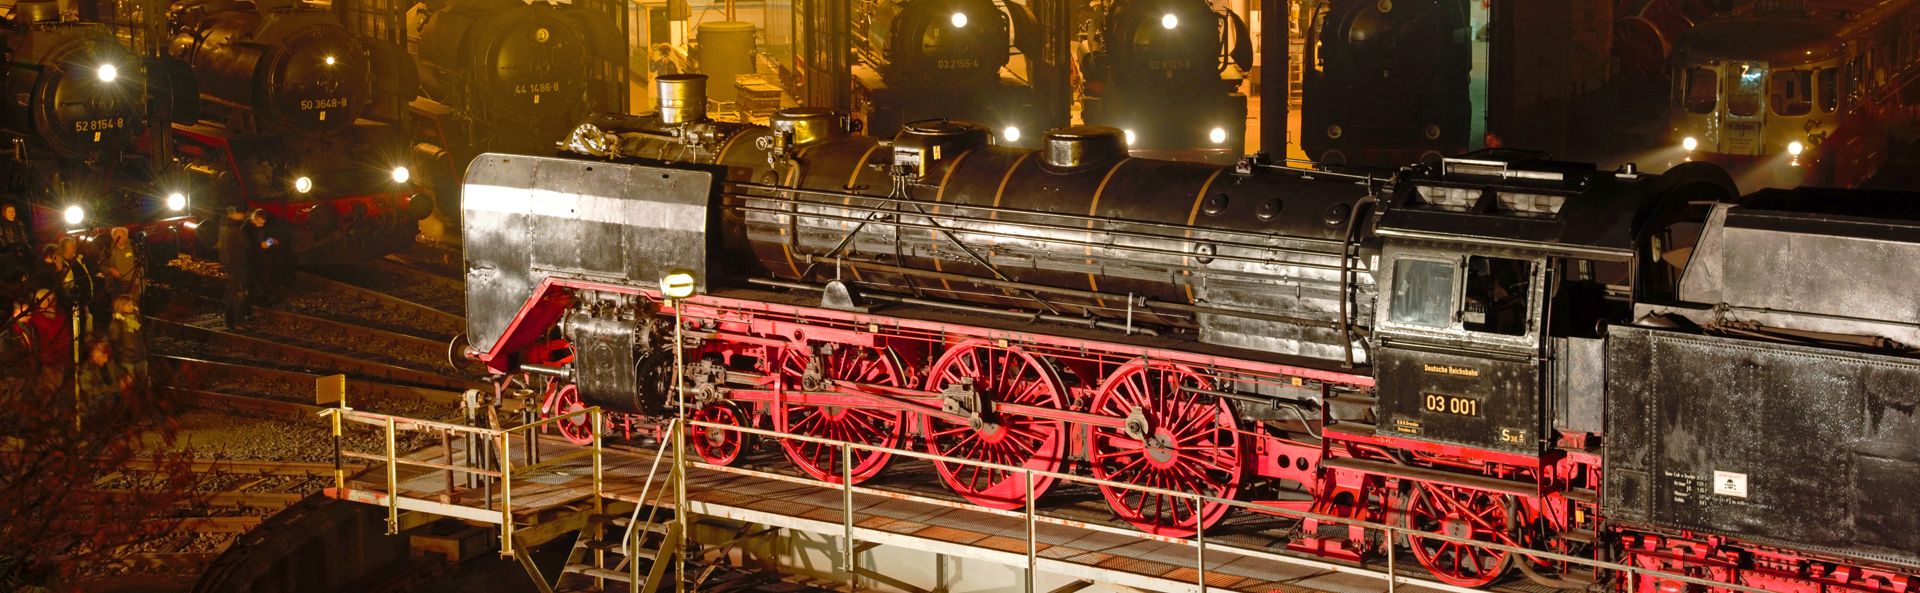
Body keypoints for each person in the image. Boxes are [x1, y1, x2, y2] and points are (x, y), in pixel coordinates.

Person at [215, 206, 252, 328]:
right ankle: (238, 320)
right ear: (235, 214)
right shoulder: (234, 230)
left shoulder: (222, 226)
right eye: (241, 214)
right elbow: (245, 245)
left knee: (231, 292)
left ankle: (229, 320)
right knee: (239, 292)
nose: (243, 216)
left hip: (227, 263)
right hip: (237, 264)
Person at [246, 209, 289, 305]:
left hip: (263, 257)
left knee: (265, 277)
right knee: (256, 279)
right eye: (260, 222)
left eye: (263, 223)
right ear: (254, 218)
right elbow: (247, 244)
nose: (262, 225)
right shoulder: (247, 229)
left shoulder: (262, 227)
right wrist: (260, 245)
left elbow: (267, 237)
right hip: (252, 259)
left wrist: (272, 242)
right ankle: (257, 298)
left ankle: (266, 297)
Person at [77, 339, 130, 414]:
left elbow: (120, 372)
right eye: (104, 356)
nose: (106, 360)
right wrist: (115, 387)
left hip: (115, 401)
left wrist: (126, 377)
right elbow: (90, 392)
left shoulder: (109, 363)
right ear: (95, 354)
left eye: (107, 357)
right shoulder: (86, 370)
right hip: (98, 406)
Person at [108, 294, 145, 382]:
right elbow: (113, 342)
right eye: (128, 304)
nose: (132, 306)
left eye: (132, 304)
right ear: (121, 306)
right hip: (126, 361)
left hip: (140, 358)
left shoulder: (135, 321)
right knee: (128, 387)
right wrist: (125, 353)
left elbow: (141, 338)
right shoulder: (117, 323)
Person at [101, 227, 140, 302]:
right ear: (113, 237)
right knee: (118, 307)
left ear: (126, 236)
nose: (119, 238)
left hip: (133, 285)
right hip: (116, 285)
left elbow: (142, 263)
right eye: (116, 236)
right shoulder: (108, 249)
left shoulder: (134, 247)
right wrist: (110, 269)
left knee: (132, 307)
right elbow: (101, 266)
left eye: (122, 235)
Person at [0, 204, 27, 282]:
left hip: (20, 249)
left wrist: (22, 247)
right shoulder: (1, 225)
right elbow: (2, 241)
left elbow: (24, 238)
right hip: (7, 252)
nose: (12, 213)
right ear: (4, 213)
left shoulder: (19, 223)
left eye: (13, 211)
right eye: (10, 211)